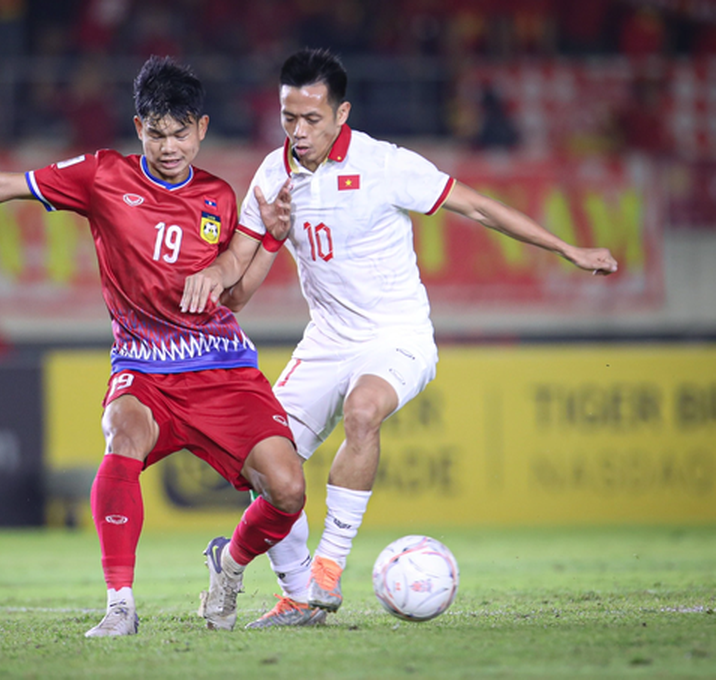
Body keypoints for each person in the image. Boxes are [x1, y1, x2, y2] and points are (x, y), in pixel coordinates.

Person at [0, 56, 306, 637]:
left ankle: (230, 564)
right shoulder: (102, 175)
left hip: (222, 368)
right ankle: (120, 605)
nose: (169, 147)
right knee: (122, 434)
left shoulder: (218, 197)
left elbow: (236, 296)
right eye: (157, 133)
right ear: (139, 127)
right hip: (145, 367)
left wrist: (270, 239)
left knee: (288, 490)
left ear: (201, 129)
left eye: (180, 133)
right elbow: (1, 188)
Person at [224, 48, 619, 628]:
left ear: (341, 114)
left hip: (397, 334)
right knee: (264, 463)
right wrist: (270, 239)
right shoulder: (270, 176)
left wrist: (568, 249)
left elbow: (478, 208)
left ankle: (327, 569)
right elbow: (236, 295)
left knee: (363, 412)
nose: (299, 132)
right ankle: (298, 594)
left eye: (311, 119)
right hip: (327, 339)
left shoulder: (385, 164)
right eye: (289, 118)